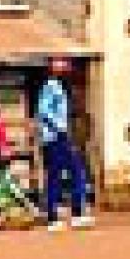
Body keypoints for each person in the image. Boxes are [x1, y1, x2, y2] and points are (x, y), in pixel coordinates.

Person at [36, 63, 92, 231]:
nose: (66, 67)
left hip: (57, 136)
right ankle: (67, 215)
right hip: (55, 137)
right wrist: (59, 129)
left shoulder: (60, 87)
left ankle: (65, 215)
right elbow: (44, 111)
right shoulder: (51, 86)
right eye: (61, 64)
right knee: (71, 172)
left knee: (64, 174)